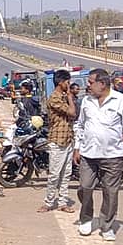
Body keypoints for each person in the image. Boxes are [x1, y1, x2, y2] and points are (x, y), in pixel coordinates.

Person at [73, 68, 123, 241]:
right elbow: (80, 125)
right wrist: (77, 147)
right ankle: (86, 218)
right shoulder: (87, 101)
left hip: (113, 155)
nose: (87, 85)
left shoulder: (120, 100)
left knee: (110, 191)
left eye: (90, 82)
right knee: (84, 187)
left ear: (102, 84)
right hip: (88, 154)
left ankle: (107, 225)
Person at [39, 70, 76, 213]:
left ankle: (62, 202)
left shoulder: (63, 97)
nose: (69, 84)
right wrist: (71, 98)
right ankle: (49, 202)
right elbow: (72, 113)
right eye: (67, 82)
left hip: (67, 139)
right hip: (57, 140)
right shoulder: (55, 98)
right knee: (54, 174)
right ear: (61, 82)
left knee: (66, 174)